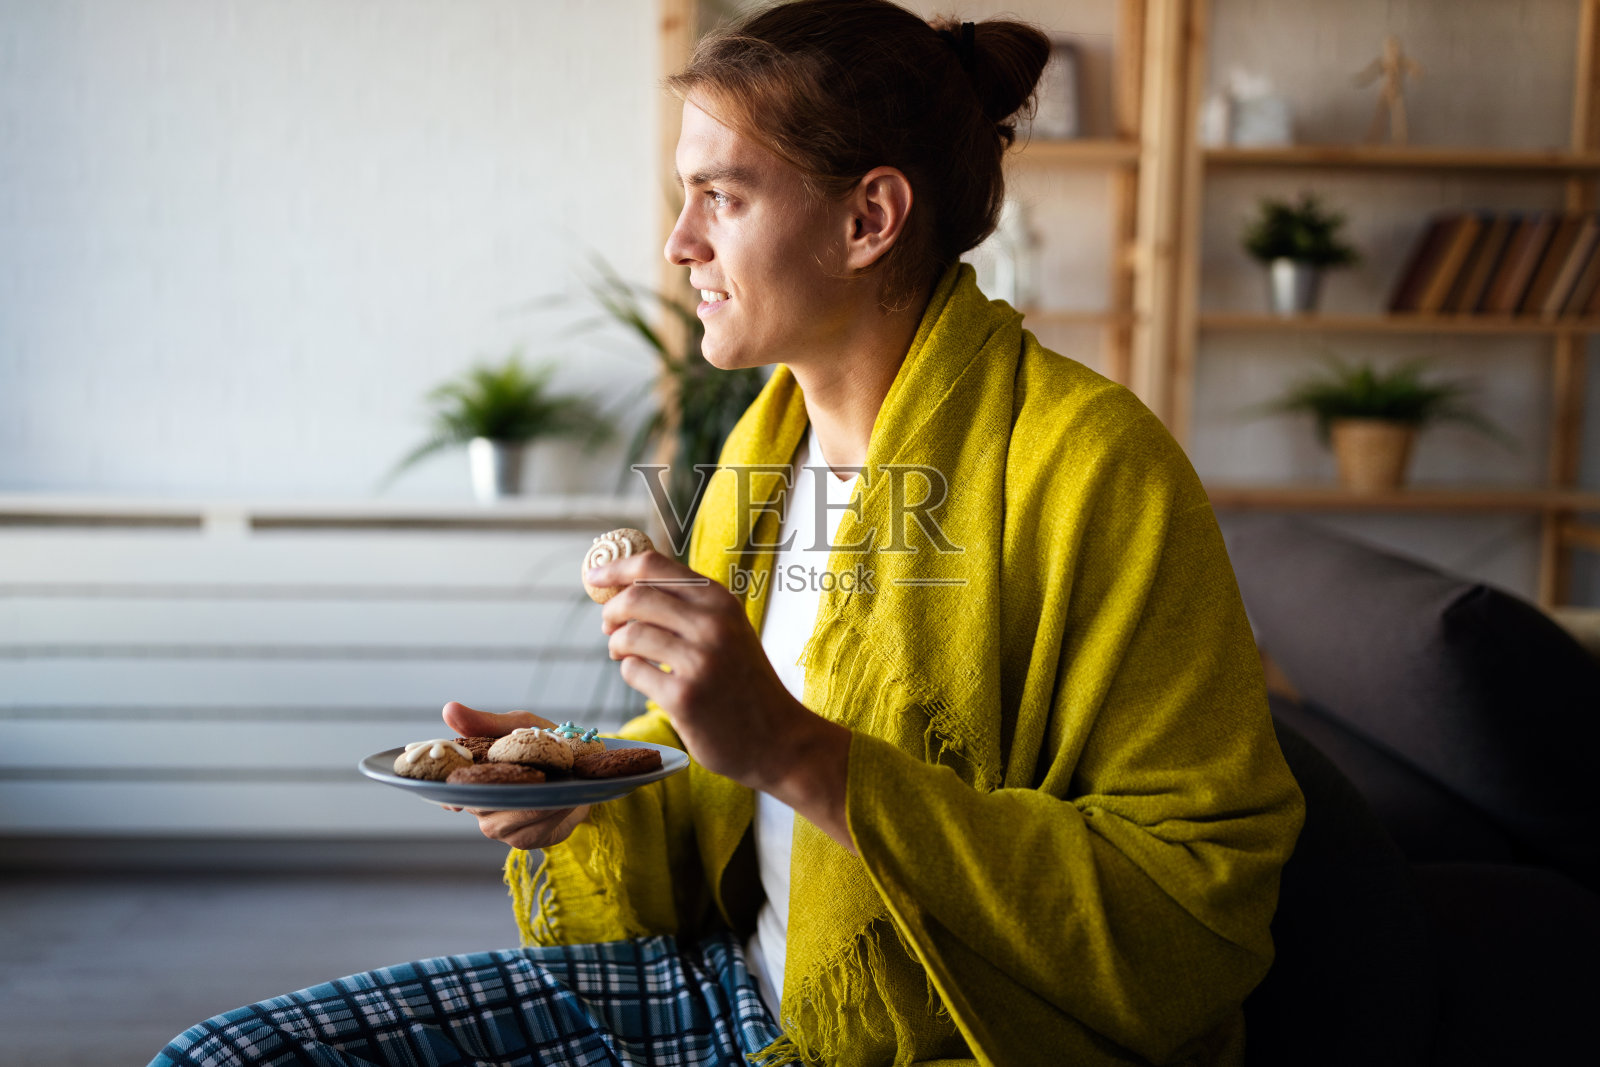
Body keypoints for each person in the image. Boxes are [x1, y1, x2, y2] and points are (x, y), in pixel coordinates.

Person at [150, 2, 1304, 1065]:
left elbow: (1195, 910)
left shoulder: (1094, 468)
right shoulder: (767, 442)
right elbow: (722, 754)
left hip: (920, 1035)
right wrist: (594, 772)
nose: (677, 245)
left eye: (723, 197)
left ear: (869, 218)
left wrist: (801, 752)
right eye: (683, 194)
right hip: (734, 981)